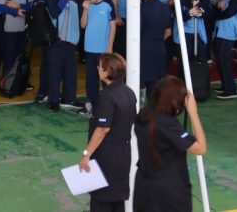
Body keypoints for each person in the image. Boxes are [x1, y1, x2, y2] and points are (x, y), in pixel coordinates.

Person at [133, 77, 207, 211]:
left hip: (144, 187)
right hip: (168, 191)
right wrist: (193, 113)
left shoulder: (143, 115)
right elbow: (200, 148)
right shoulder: (166, 123)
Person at [77, 53, 136, 212]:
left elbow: (103, 129)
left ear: (107, 71)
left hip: (106, 156)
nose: (98, 68)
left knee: (101, 199)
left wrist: (86, 153)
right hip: (123, 154)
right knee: (117, 201)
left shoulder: (107, 96)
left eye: (100, 66)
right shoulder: (129, 93)